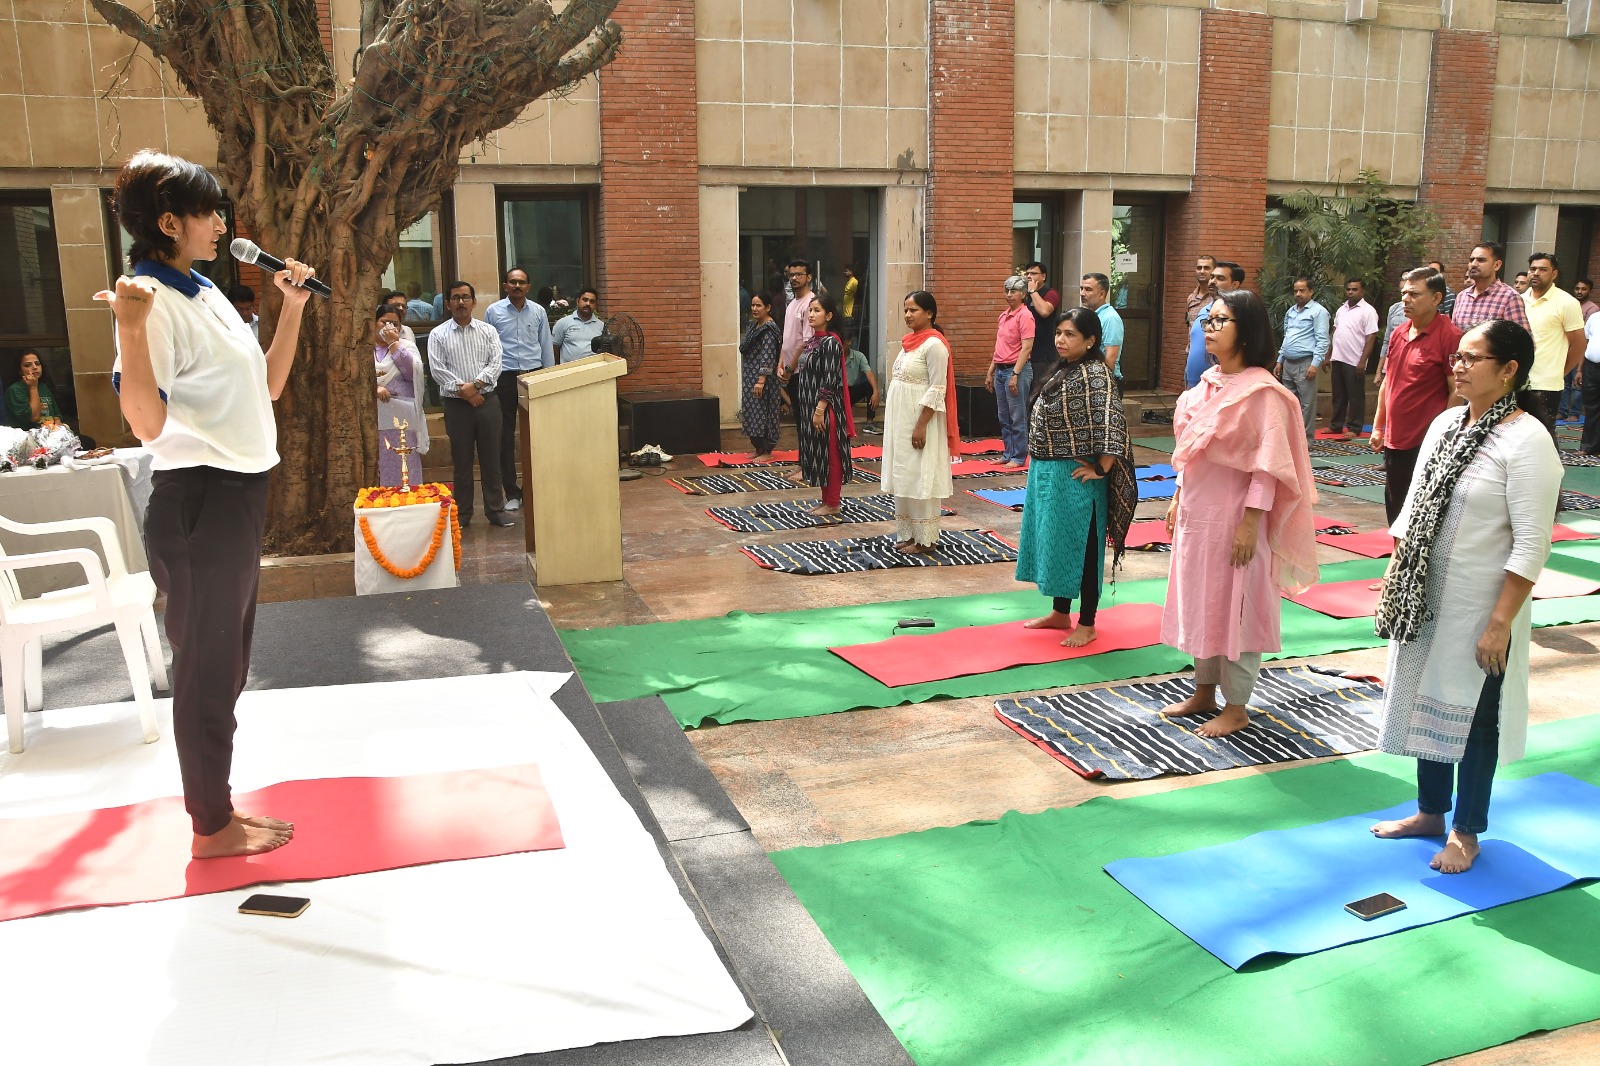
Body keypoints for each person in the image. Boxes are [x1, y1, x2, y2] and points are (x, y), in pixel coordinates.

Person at [98, 150, 315, 858]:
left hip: (237, 496)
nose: (222, 224)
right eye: (209, 212)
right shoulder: (149, 300)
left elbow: (269, 388)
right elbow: (146, 424)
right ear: (168, 222)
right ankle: (210, 827)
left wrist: (292, 308)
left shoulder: (203, 290)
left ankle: (215, 807)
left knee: (227, 665)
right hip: (198, 501)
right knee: (206, 669)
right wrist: (130, 330)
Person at [1369, 319, 1562, 874]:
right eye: (1457, 356)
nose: (1458, 365)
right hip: (1427, 594)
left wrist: (1500, 622)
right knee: (1430, 699)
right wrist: (1396, 576)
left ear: (1508, 371)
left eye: (1472, 358)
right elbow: (1413, 509)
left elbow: (1532, 541)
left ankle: (1466, 831)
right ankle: (1431, 811)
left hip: (1483, 603)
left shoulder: (1529, 440)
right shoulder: (1447, 424)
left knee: (1478, 717)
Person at [1158, 288, 1320, 738]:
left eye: (1220, 320)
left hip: (1237, 517)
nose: (1209, 328)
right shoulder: (1204, 386)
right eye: (1207, 320)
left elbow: (1269, 467)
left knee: (1239, 607)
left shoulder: (1265, 394)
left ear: (1245, 331)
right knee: (1202, 600)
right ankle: (1204, 689)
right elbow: (1188, 455)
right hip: (1197, 512)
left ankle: (1237, 705)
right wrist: (1176, 497)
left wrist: (1251, 522)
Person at [1015, 307, 1137, 648]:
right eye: (1058, 333)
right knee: (1057, 543)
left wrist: (1101, 468)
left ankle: (1088, 622)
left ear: (1090, 340)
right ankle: (1060, 612)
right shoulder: (1066, 369)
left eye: (1070, 334)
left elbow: (1112, 424)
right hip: (1051, 474)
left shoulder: (1096, 373)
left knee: (1082, 546)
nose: (1061, 340)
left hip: (1077, 477)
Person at [1371, 268, 1463, 523]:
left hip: (1427, 440)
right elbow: (1388, 383)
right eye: (1404, 293)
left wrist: (1445, 436)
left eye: (1414, 294)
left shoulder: (1451, 336)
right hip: (1395, 437)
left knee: (1424, 509)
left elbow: (1456, 389)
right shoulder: (1399, 332)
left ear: (1436, 298)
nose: (1406, 299)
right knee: (1396, 503)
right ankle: (1399, 558)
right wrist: (1379, 426)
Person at [427, 280, 514, 529]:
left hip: (487, 402)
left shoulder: (488, 331)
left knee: (492, 459)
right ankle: (462, 514)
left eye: (465, 297)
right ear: (448, 303)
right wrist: (464, 391)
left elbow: (496, 363)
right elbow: (437, 369)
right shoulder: (438, 334)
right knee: (462, 461)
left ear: (474, 302)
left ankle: (496, 511)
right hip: (456, 407)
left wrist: (475, 386)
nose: (461, 302)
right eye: (455, 298)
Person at [882, 291, 959, 553]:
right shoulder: (909, 343)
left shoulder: (935, 345)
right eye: (905, 310)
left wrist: (921, 424)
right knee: (905, 474)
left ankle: (926, 539)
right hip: (902, 420)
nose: (907, 315)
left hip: (921, 421)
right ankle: (910, 533)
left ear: (929, 313)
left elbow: (938, 388)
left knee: (921, 475)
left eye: (913, 310)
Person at [483, 265, 553, 512]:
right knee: (505, 436)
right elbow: (487, 348)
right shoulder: (493, 312)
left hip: (533, 375)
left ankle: (536, 489)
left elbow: (545, 346)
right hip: (503, 377)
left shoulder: (538, 312)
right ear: (505, 286)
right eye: (512, 282)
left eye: (522, 282)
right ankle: (512, 492)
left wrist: (548, 377)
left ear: (528, 287)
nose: (517, 286)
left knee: (537, 433)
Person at [782, 295, 853, 518]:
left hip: (826, 410)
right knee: (820, 454)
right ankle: (825, 501)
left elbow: (830, 379)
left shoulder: (831, 342)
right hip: (811, 409)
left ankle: (833, 503)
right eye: (809, 310)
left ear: (829, 316)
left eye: (817, 311)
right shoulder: (813, 342)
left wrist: (820, 409)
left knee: (831, 455)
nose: (811, 314)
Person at [1520, 252, 1585, 438]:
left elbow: (1579, 345)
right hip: (1516, 382)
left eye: (1543, 269)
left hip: (1546, 385)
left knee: (1542, 438)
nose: (1536, 273)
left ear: (1554, 274)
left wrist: (1559, 372)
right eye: (1532, 269)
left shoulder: (1567, 303)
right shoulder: (1518, 300)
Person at [373, 305, 430, 487]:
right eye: (384, 322)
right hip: (374, 419)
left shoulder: (406, 347)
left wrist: (393, 344)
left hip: (402, 420)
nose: (389, 328)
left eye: (395, 324)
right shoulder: (363, 349)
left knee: (405, 458)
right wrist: (373, 389)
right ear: (374, 323)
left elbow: (412, 373)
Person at [986, 275, 1036, 467]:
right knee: (1003, 416)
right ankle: (1008, 453)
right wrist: (991, 370)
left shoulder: (1025, 315)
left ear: (1023, 294)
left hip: (1017, 370)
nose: (1009, 295)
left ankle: (1019, 456)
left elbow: (1027, 347)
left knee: (1017, 416)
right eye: (1007, 291)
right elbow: (1000, 345)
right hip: (1000, 369)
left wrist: (1015, 374)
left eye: (1013, 291)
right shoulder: (1004, 315)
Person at [1275, 276, 1330, 441]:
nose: (1298, 294)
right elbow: (1287, 337)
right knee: (1289, 402)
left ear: (1311, 291)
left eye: (1302, 290)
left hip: (1306, 363)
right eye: (1295, 291)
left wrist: (1315, 364)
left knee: (1307, 404)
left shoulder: (1319, 312)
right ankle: (1290, 438)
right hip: (1289, 363)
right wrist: (1280, 359)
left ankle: (1306, 440)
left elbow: (1323, 340)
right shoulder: (1291, 311)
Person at [1329, 278, 1379, 434]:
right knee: (1338, 395)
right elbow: (1335, 332)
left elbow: (1371, 337)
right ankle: (1336, 425)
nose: (1350, 292)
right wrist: (1328, 355)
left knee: (1355, 396)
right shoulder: (1341, 309)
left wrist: (1362, 362)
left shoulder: (1368, 311)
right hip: (1338, 358)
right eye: (1348, 289)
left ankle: (1355, 427)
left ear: (1362, 291)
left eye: (1355, 289)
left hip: (1354, 360)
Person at [738, 291, 782, 458]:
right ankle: (758, 448)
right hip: (751, 377)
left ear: (768, 308)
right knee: (752, 412)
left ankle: (767, 449)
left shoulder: (769, 330)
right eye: (753, 305)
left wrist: (761, 380)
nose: (754, 309)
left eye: (759, 305)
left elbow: (768, 355)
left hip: (763, 380)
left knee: (764, 413)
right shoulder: (753, 326)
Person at [1184, 260, 1242, 388]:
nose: (1212, 282)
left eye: (1220, 278)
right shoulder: (1204, 310)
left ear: (1235, 284)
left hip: (1218, 384)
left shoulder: (1239, 313)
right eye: (1212, 277)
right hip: (1193, 384)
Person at [1452, 243, 1529, 334]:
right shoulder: (1462, 296)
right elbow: (1454, 335)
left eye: (1481, 260)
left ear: (1496, 265)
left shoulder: (1509, 297)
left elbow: (1523, 341)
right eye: (1471, 260)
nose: (1473, 264)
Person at [1079, 272, 1124, 383]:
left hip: (1104, 381)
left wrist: (1102, 383)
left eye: (1088, 289)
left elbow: (1111, 357)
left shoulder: (1110, 318)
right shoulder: (1089, 315)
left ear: (1101, 294)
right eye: (1081, 289)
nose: (1082, 293)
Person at [1021, 261, 1061, 381]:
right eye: (1027, 273)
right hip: (1027, 353)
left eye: (1033, 273)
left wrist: (1033, 292)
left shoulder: (1051, 293)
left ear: (1043, 276)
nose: (1029, 276)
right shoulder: (1027, 296)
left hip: (1043, 356)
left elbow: (1044, 311)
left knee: (1038, 391)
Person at [6, 350, 62, 428]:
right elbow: (34, 417)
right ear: (20, 371)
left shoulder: (44, 387)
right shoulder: (15, 390)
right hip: (29, 436)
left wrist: (57, 421)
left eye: (37, 364)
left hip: (51, 434)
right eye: (28, 365)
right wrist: (33, 387)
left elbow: (56, 413)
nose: (35, 367)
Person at [553, 287, 605, 362]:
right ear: (577, 301)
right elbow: (555, 349)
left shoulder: (601, 326)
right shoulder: (563, 323)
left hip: (593, 371)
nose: (588, 304)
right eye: (585, 300)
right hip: (569, 371)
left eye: (592, 301)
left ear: (596, 305)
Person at [845, 344, 880, 434]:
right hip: (838, 392)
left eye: (842, 343)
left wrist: (876, 392)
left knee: (869, 385)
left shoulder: (858, 356)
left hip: (852, 391)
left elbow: (869, 373)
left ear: (848, 342)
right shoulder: (833, 356)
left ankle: (870, 423)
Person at [1583, 306, 1600, 454]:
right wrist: (1579, 370)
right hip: (1591, 368)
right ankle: (1588, 447)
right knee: (1591, 407)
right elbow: (1586, 343)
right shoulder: (1594, 318)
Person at [1186, 254, 1217, 328]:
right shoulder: (1191, 298)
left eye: (1206, 268)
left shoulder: (1219, 298)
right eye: (1199, 268)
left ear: (1214, 271)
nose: (1202, 271)